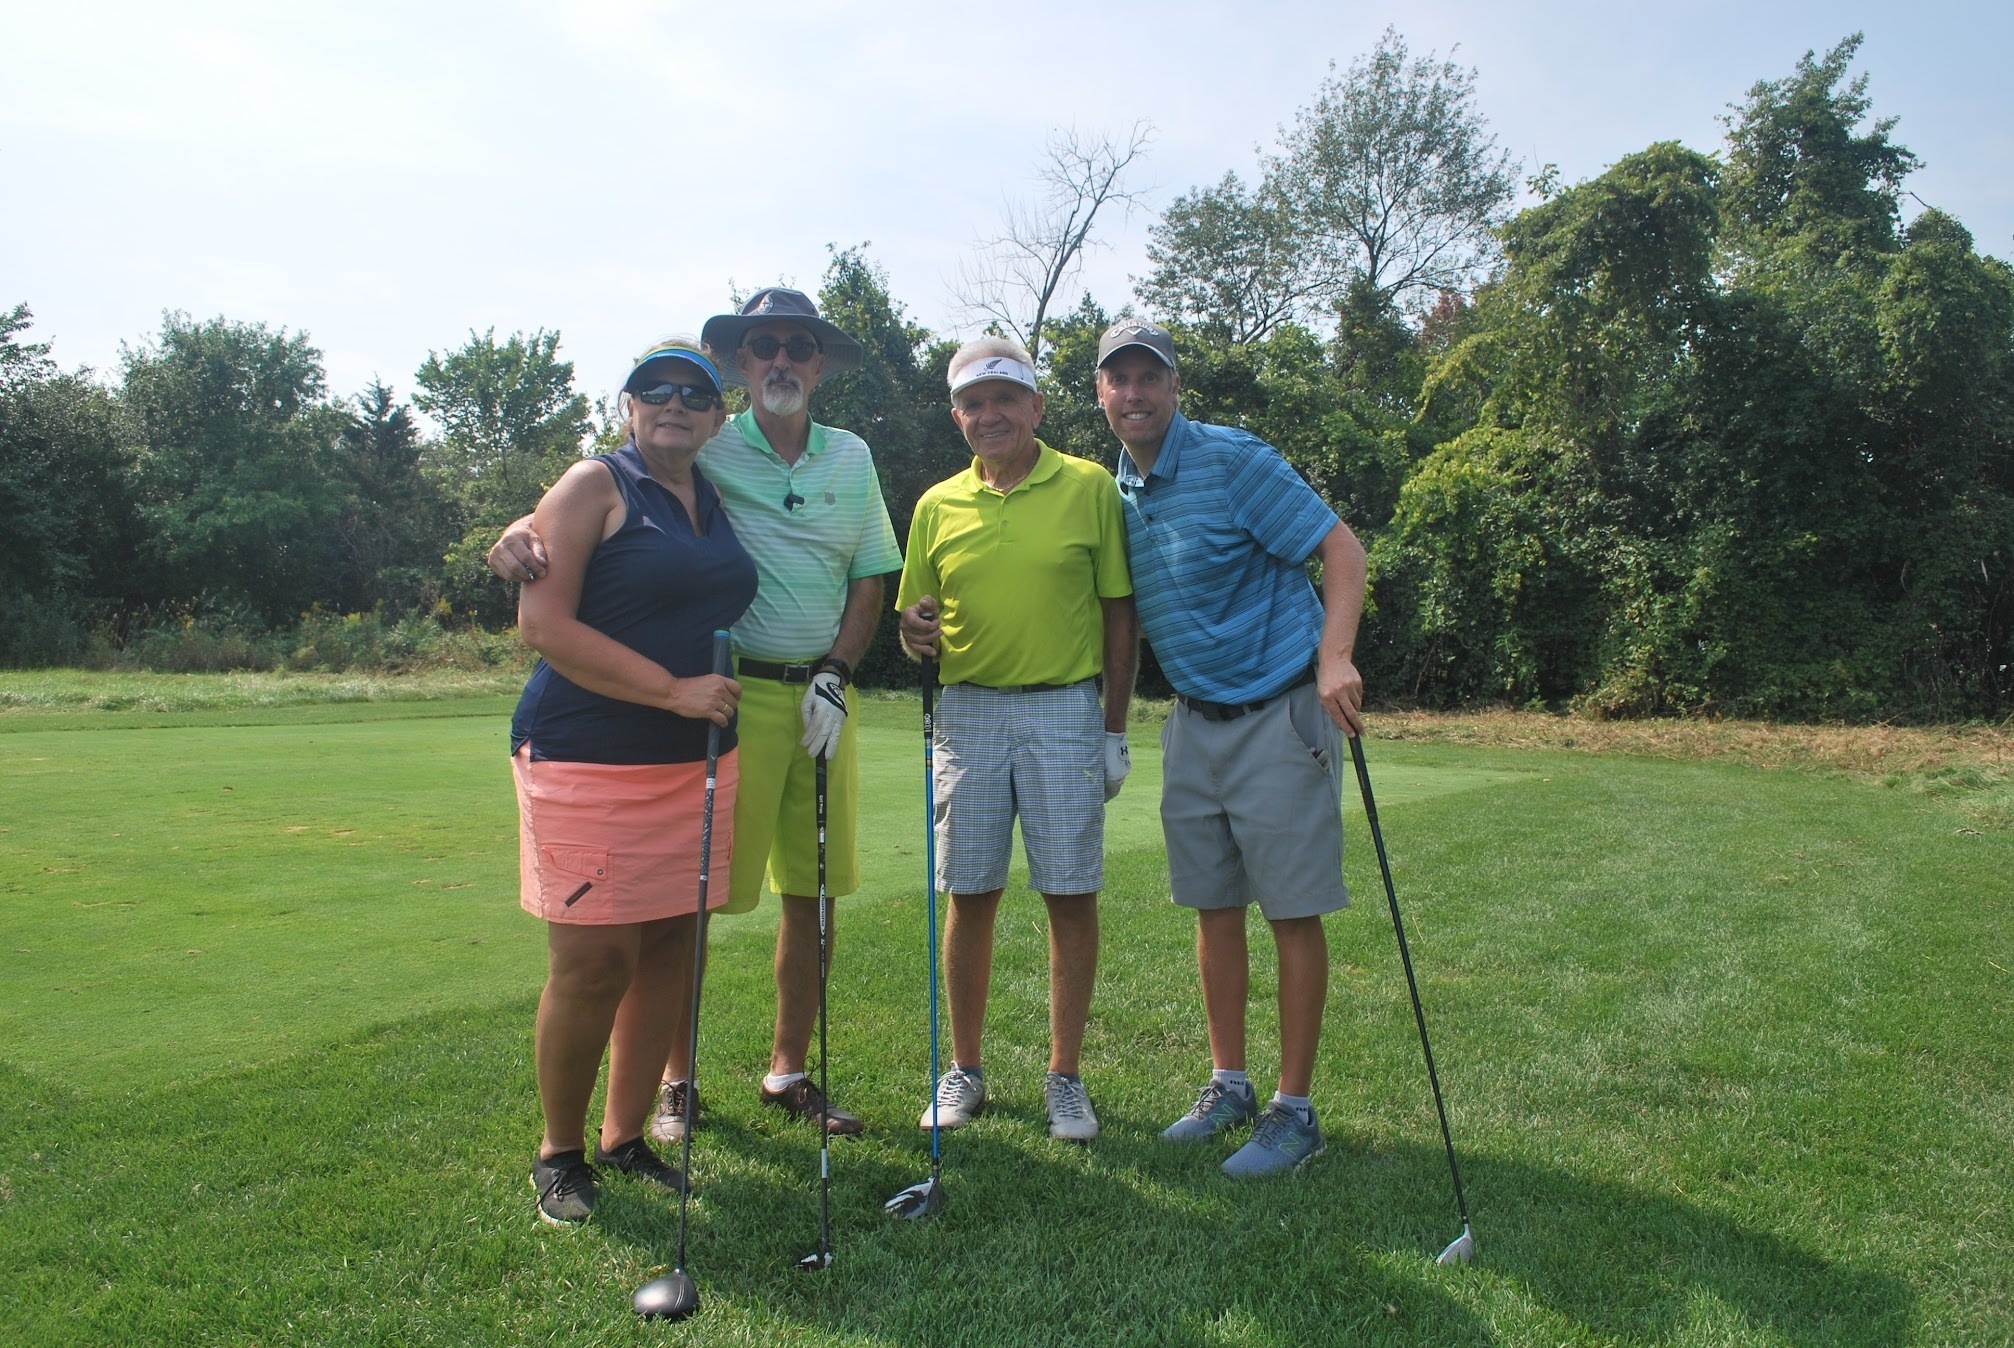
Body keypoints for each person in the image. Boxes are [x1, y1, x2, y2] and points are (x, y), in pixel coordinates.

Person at [491, 288, 901, 1138]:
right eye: (763, 346)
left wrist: (838, 670)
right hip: (727, 697)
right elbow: (617, 482)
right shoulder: (713, 441)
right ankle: (676, 1081)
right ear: (741, 364)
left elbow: (870, 576)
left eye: (797, 346)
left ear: (819, 365)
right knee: (695, 904)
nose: (780, 359)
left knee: (814, 894)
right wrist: (520, 527)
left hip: (824, 698)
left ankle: (788, 1072)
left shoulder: (851, 455)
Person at [1094, 319, 1368, 1178]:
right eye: (1118, 379)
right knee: (1213, 908)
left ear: (1174, 386)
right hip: (1192, 723)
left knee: (1290, 910)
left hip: (1279, 712)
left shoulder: (1232, 458)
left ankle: (1295, 1111)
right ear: (1100, 393)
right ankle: (1231, 1085)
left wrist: (1334, 656)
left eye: (1149, 376)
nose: (1134, 393)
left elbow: (1341, 548)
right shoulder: (1115, 490)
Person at [511, 337, 755, 1224]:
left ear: (717, 418)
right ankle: (560, 1153)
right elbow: (543, 624)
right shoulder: (595, 483)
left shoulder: (715, 496)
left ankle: (624, 1137)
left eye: (694, 393)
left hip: (695, 762)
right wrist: (672, 691)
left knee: (670, 952)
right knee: (594, 962)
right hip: (587, 755)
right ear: (628, 406)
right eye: (656, 390)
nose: (674, 404)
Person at [895, 337, 1137, 1142]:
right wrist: (913, 632)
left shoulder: (1088, 485)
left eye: (1005, 398)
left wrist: (1113, 728)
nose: (990, 414)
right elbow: (916, 622)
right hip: (967, 713)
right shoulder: (936, 505)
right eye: (974, 402)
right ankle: (964, 1069)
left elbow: (1119, 613)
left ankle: (1065, 1076)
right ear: (957, 416)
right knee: (970, 892)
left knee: (1070, 892)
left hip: (1064, 707)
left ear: (1036, 406)